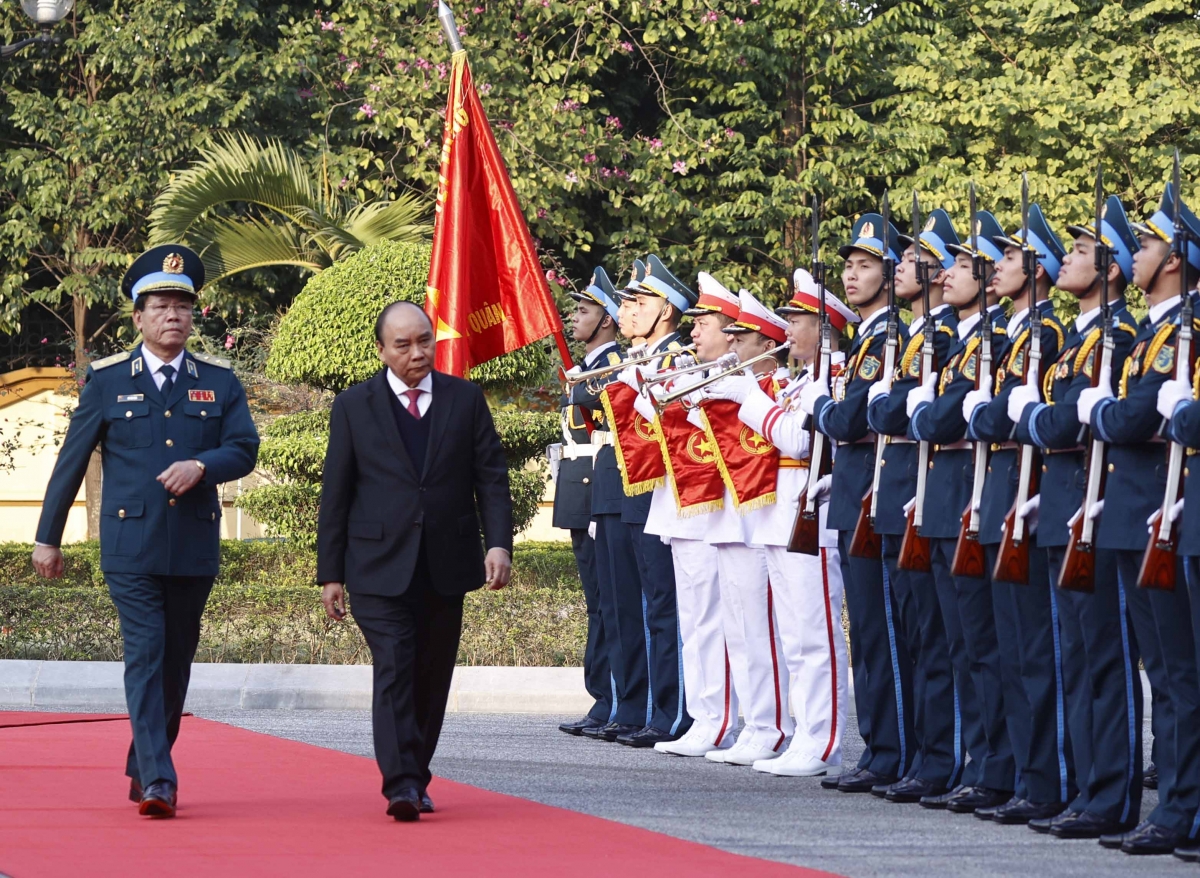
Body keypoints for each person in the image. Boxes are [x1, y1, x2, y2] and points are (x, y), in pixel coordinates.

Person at [32, 244, 260, 818]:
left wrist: (203, 465)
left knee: (178, 658)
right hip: (129, 546)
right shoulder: (107, 381)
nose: (173, 316)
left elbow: (244, 447)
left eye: (182, 306)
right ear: (138, 316)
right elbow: (71, 460)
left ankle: (142, 763)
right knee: (147, 652)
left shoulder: (218, 380)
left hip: (192, 544)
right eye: (160, 306)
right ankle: (160, 778)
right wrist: (47, 536)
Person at [317, 301, 513, 822]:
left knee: (431, 675)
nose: (417, 352)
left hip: (446, 563)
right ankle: (401, 783)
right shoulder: (354, 406)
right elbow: (335, 493)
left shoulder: (465, 399)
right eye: (402, 344)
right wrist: (330, 572)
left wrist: (498, 543)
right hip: (377, 565)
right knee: (395, 667)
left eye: (424, 340)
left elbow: (491, 477)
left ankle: (417, 773)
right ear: (381, 350)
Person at [1009, 197, 1142, 840]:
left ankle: (1109, 795)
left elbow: (1063, 424)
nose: (1066, 258)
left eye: (1083, 252)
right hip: (1062, 509)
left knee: (1103, 661)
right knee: (1077, 659)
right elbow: (1057, 421)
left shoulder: (1116, 338)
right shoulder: (1083, 339)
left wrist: (1030, 419)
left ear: (1111, 270)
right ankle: (1089, 788)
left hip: (1094, 508)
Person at [1074, 184, 1200, 855]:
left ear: (1176, 260)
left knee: (1180, 676)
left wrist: (1099, 413)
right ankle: (1177, 808)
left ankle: (1182, 809)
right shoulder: (1157, 334)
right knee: (1168, 674)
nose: (1136, 252)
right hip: (1137, 514)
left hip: (1166, 515)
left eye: (1148, 243)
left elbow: (1130, 419)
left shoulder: (1187, 331)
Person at [706, 270, 858, 777]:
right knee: (794, 635)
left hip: (812, 517)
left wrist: (749, 400)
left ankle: (824, 739)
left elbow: (795, 442)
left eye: (798, 319)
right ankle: (806, 732)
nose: (787, 327)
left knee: (815, 633)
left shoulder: (832, 377)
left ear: (825, 326)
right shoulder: (801, 382)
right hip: (782, 517)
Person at [962, 204, 1072, 825]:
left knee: (1035, 651)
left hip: (1028, 491)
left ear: (1038, 269)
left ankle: (1044, 780)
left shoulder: (1045, 332)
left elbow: (1002, 417)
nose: (997, 267)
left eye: (1008, 258)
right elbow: (989, 416)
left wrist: (995, 412)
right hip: (1002, 487)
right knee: (1000, 647)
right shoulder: (1016, 334)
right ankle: (1011, 774)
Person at [798, 213, 915, 793]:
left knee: (882, 633)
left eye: (865, 265)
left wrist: (820, 407)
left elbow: (849, 419)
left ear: (890, 275)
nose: (850, 274)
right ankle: (880, 747)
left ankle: (891, 750)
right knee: (867, 632)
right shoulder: (871, 337)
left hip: (874, 497)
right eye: (848, 264)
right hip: (854, 492)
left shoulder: (886, 337)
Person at [907, 210, 1014, 814]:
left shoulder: (987, 337)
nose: (949, 274)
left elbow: (945, 419)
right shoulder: (963, 338)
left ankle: (994, 767)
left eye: (965, 266)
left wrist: (935, 413)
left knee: (985, 648)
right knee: (957, 645)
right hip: (948, 499)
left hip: (979, 499)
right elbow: (933, 417)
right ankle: (977, 763)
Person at [867, 209, 963, 803]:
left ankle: (941, 759)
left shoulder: (945, 336)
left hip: (929, 496)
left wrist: (895, 407)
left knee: (941, 639)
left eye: (909, 259)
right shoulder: (912, 337)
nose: (898, 266)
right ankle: (923, 756)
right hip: (901, 494)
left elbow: (893, 413)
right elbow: (883, 413)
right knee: (914, 635)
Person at [647, 272, 742, 757]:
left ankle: (719, 718)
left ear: (730, 330)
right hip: (683, 512)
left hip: (710, 514)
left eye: (703, 322)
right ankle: (707, 715)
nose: (694, 331)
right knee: (695, 620)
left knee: (714, 620)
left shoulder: (732, 378)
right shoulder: (690, 371)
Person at [606, 255, 695, 747]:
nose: (631, 310)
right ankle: (657, 712)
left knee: (667, 609)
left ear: (666, 311)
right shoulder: (640, 358)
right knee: (650, 608)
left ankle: (673, 713)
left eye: (640, 301)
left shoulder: (676, 360)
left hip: (669, 495)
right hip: (639, 493)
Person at [555, 268, 624, 737]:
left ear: (606, 320)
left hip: (600, 490)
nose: (573, 316)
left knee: (610, 603)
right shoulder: (587, 369)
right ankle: (603, 697)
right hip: (580, 491)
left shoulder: (610, 367)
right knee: (596, 604)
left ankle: (614, 698)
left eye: (584, 310)